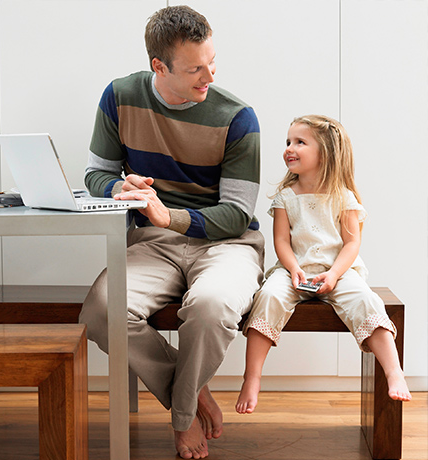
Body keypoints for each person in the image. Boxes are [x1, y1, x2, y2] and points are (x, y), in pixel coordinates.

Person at [78, 5, 265, 459]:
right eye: (195, 69)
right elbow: (95, 174)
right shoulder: (120, 97)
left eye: (212, 62)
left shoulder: (238, 117)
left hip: (227, 244)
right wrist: (119, 187)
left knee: (210, 306)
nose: (210, 76)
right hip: (153, 245)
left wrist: (173, 218)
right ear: (159, 66)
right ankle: (192, 392)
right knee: (101, 310)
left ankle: (182, 418)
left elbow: (237, 213)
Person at [235, 114, 412, 415]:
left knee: (366, 300)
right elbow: (281, 242)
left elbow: (351, 244)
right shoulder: (286, 197)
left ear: (325, 152)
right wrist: (294, 269)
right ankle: (252, 377)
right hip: (294, 270)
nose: (289, 148)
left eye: (300, 142)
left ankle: (394, 371)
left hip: (338, 271)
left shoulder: (343, 197)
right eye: (288, 141)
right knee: (269, 296)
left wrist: (334, 274)